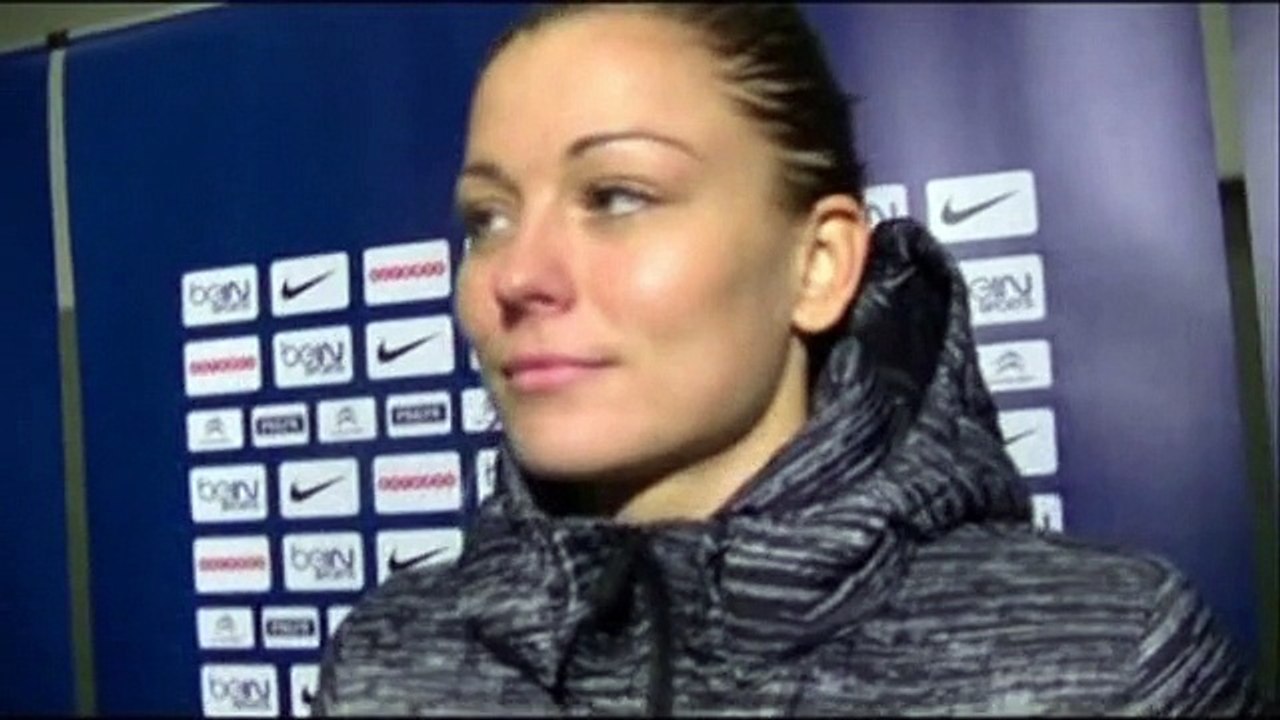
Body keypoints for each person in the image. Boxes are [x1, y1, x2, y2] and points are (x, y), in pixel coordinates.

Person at [314, 3, 1261, 715]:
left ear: (818, 264)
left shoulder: (1104, 661)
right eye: (488, 216)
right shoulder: (388, 662)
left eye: (618, 196)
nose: (516, 275)